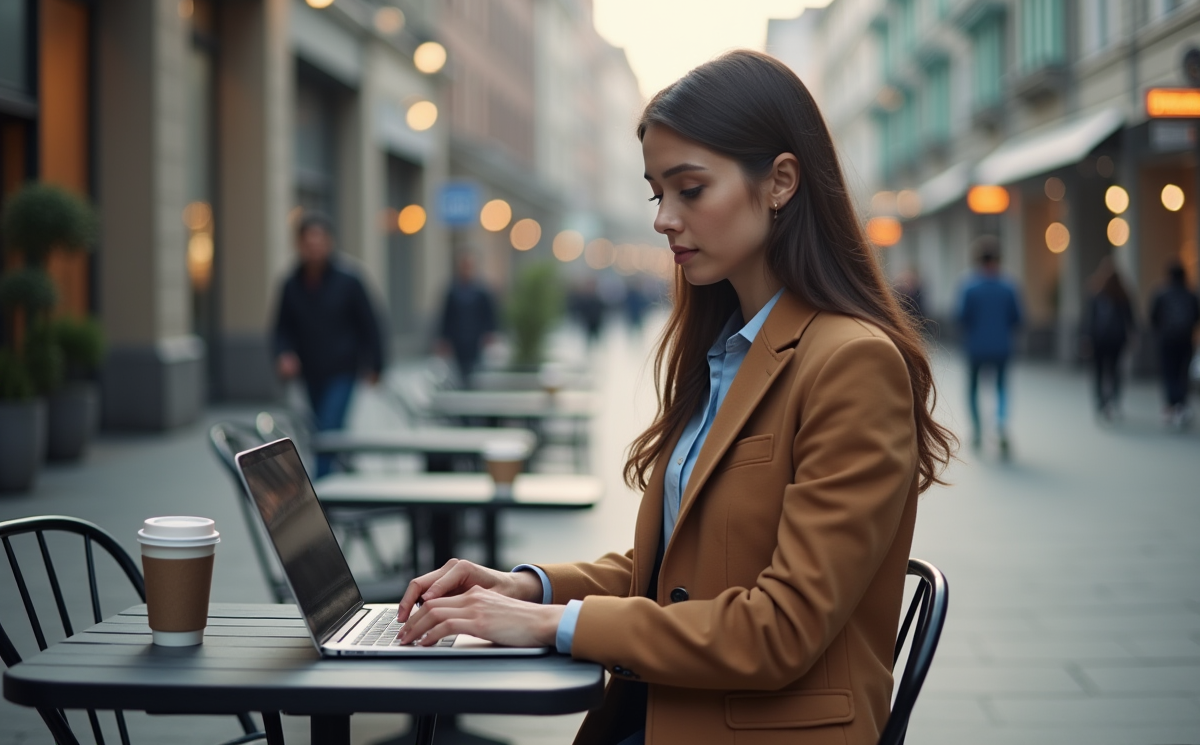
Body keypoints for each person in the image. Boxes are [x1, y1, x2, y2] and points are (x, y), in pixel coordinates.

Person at [393, 51, 954, 745]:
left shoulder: (850, 363)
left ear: (780, 182)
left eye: (690, 189)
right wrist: (530, 586)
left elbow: (780, 628)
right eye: (657, 193)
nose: (664, 219)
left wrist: (553, 626)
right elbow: (680, 573)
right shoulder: (725, 352)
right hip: (665, 713)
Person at [272, 215, 385, 477]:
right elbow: (281, 328)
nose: (314, 247)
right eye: (308, 242)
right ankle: (345, 469)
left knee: (328, 430)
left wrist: (376, 365)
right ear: (299, 244)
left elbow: (370, 324)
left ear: (329, 243)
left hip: (343, 370)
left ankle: (321, 489)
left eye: (319, 241)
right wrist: (283, 354)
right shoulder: (291, 284)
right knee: (322, 426)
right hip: (310, 371)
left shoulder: (349, 281)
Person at [956, 235, 1022, 458]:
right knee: (1001, 387)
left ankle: (977, 429)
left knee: (973, 388)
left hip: (976, 346)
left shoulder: (969, 286)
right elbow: (1018, 318)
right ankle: (1001, 425)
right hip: (1002, 346)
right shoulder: (1008, 286)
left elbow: (961, 317)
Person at [1149, 261, 1200, 429]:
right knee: (1182, 373)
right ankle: (1180, 405)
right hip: (1185, 340)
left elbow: (1153, 317)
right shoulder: (1190, 294)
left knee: (1169, 373)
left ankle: (1173, 404)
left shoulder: (1161, 294)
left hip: (1167, 340)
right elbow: (1196, 316)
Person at [1085, 257, 1135, 420]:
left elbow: (1089, 320)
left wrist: (1087, 338)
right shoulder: (1123, 295)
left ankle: (1101, 402)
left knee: (1099, 372)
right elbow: (1130, 319)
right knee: (1115, 371)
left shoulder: (1097, 294)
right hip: (1117, 340)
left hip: (1099, 340)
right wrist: (1133, 337)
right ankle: (1114, 400)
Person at [437, 251, 497, 386]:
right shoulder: (453, 291)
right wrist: (443, 338)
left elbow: (488, 315)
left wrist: (489, 333)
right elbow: (446, 316)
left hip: (476, 338)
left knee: (475, 368)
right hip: (457, 338)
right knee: (460, 369)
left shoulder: (481, 290)